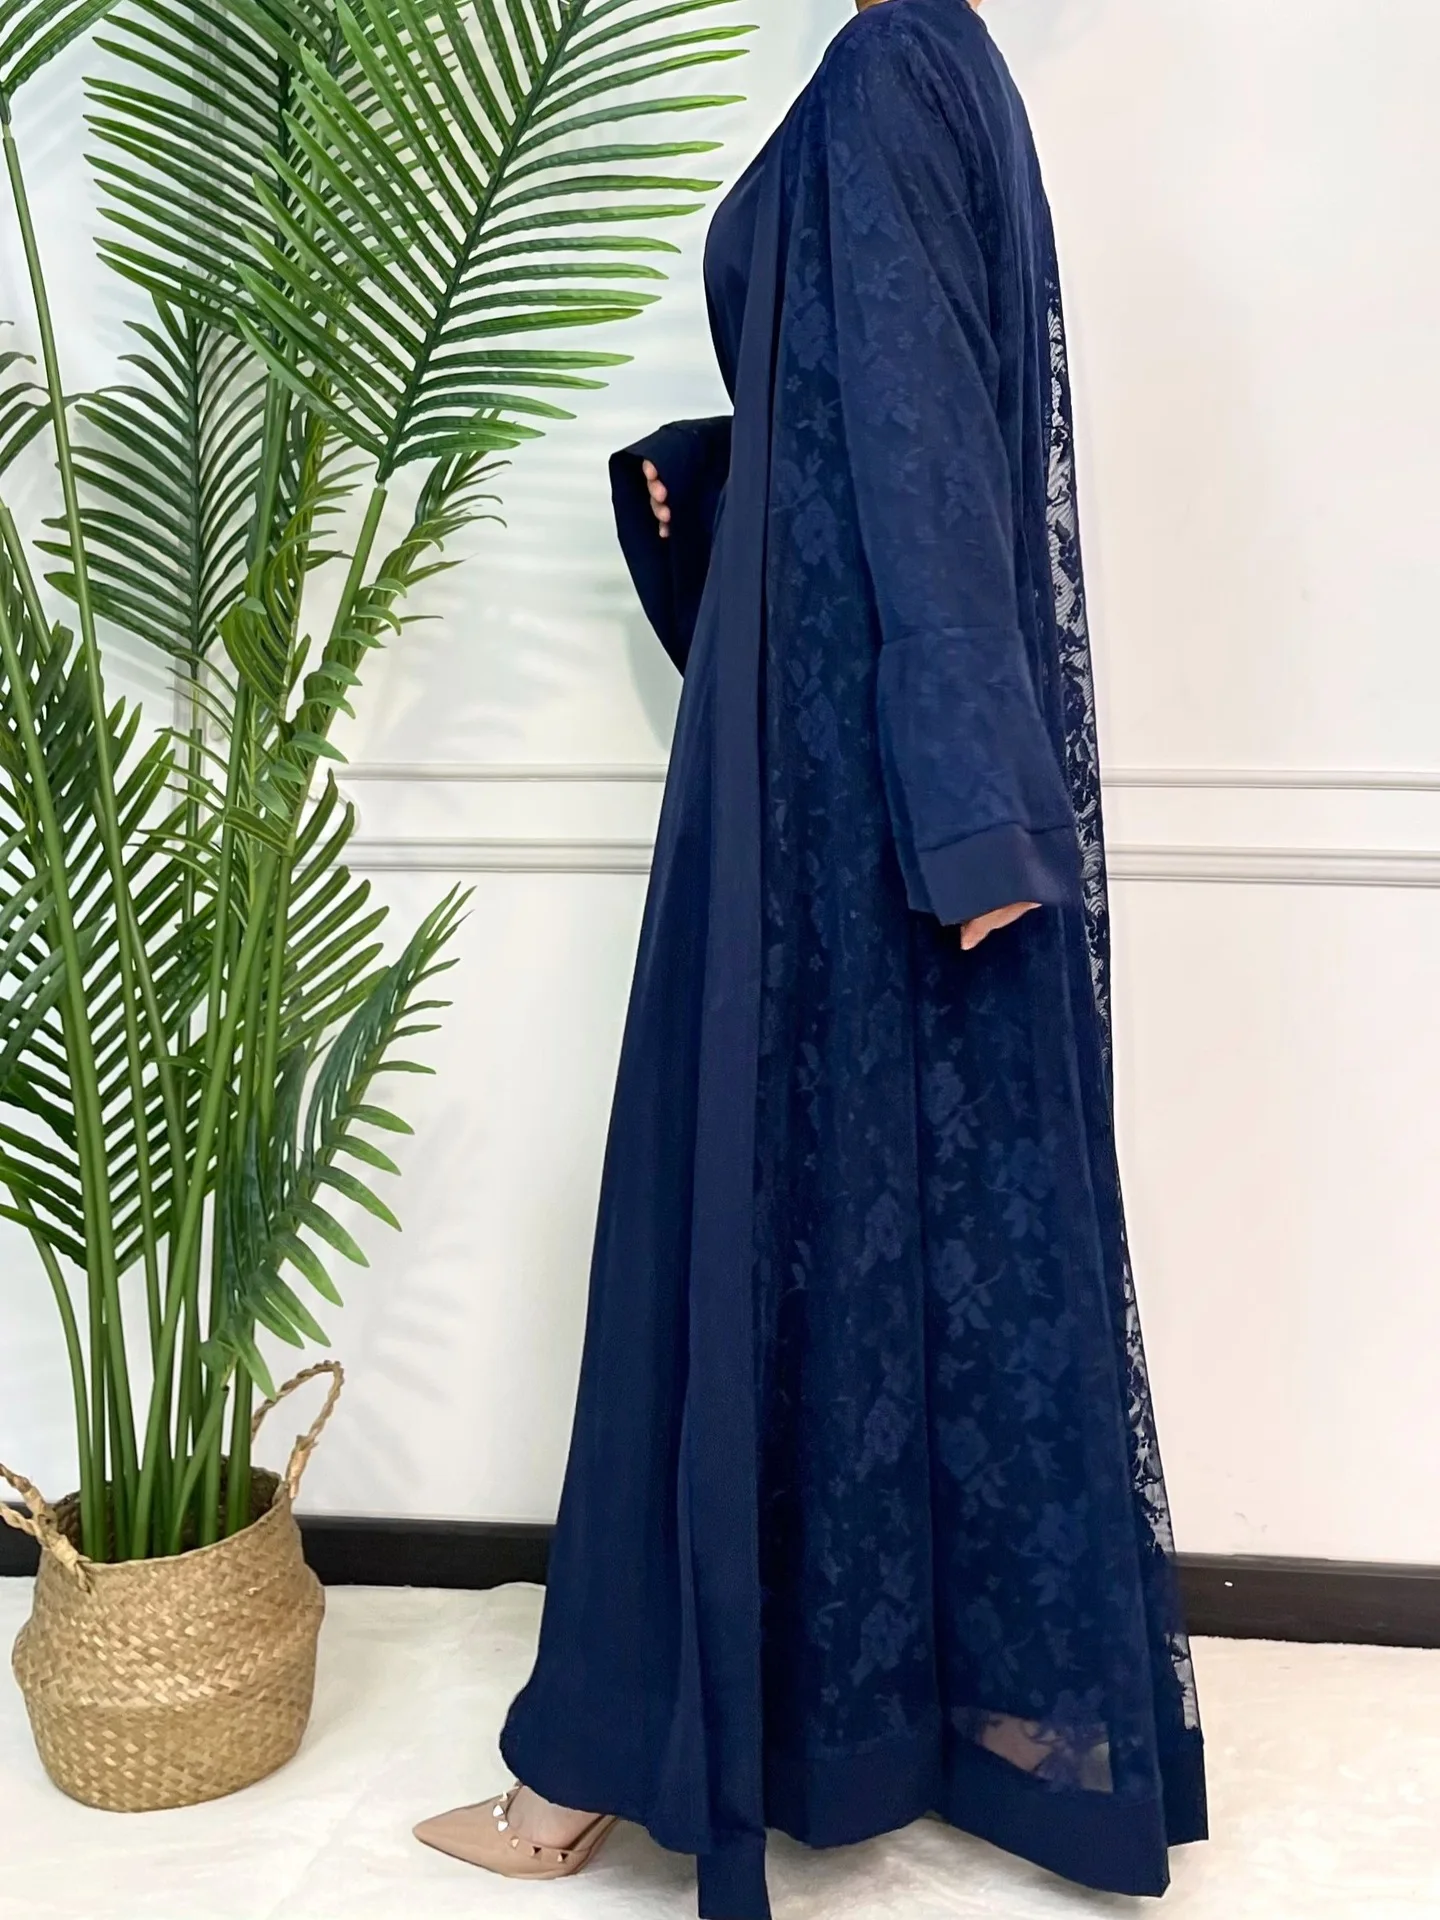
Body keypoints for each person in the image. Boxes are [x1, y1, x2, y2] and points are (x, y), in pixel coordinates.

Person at [415, 1, 1208, 1915]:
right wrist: (718, 475)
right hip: (849, 787)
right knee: (847, 1240)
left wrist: (974, 813)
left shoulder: (887, 71)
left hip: (824, 814)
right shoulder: (938, 65)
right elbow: (874, 431)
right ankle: (809, 1730)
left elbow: (935, 450)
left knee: (722, 1228)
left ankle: (602, 1762)